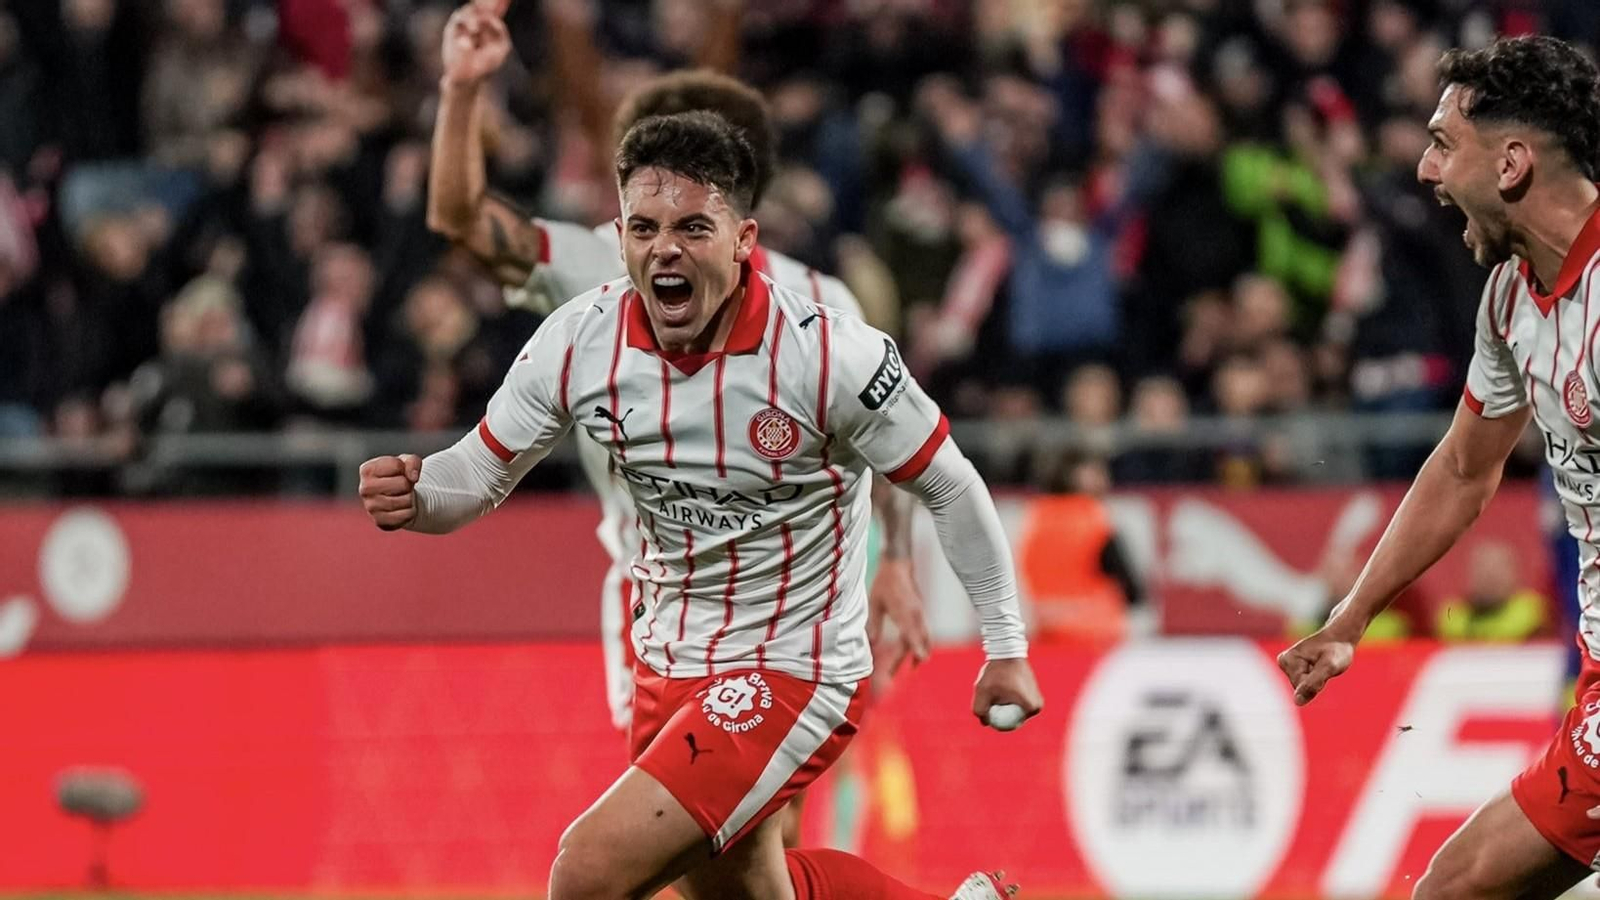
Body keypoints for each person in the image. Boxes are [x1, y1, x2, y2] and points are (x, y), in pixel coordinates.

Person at [362, 111, 1040, 899]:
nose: (665, 249)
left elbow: (949, 483)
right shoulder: (579, 341)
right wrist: (419, 492)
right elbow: (477, 474)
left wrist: (1005, 646)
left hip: (794, 666)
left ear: (743, 239)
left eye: (692, 227)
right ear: (620, 235)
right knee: (746, 894)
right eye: (644, 228)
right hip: (668, 662)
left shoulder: (828, 353)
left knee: (586, 873)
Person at [425, 0, 928, 742]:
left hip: (779, 602)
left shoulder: (819, 304)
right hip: (670, 599)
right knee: (714, 812)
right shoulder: (603, 261)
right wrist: (463, 88)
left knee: (703, 810)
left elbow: (887, 449)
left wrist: (894, 565)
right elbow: (461, 219)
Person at [1278, 35, 1600, 900]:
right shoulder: (1510, 298)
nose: (1425, 171)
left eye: (1442, 144)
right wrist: (1351, 618)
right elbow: (1463, 469)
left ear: (1512, 163)